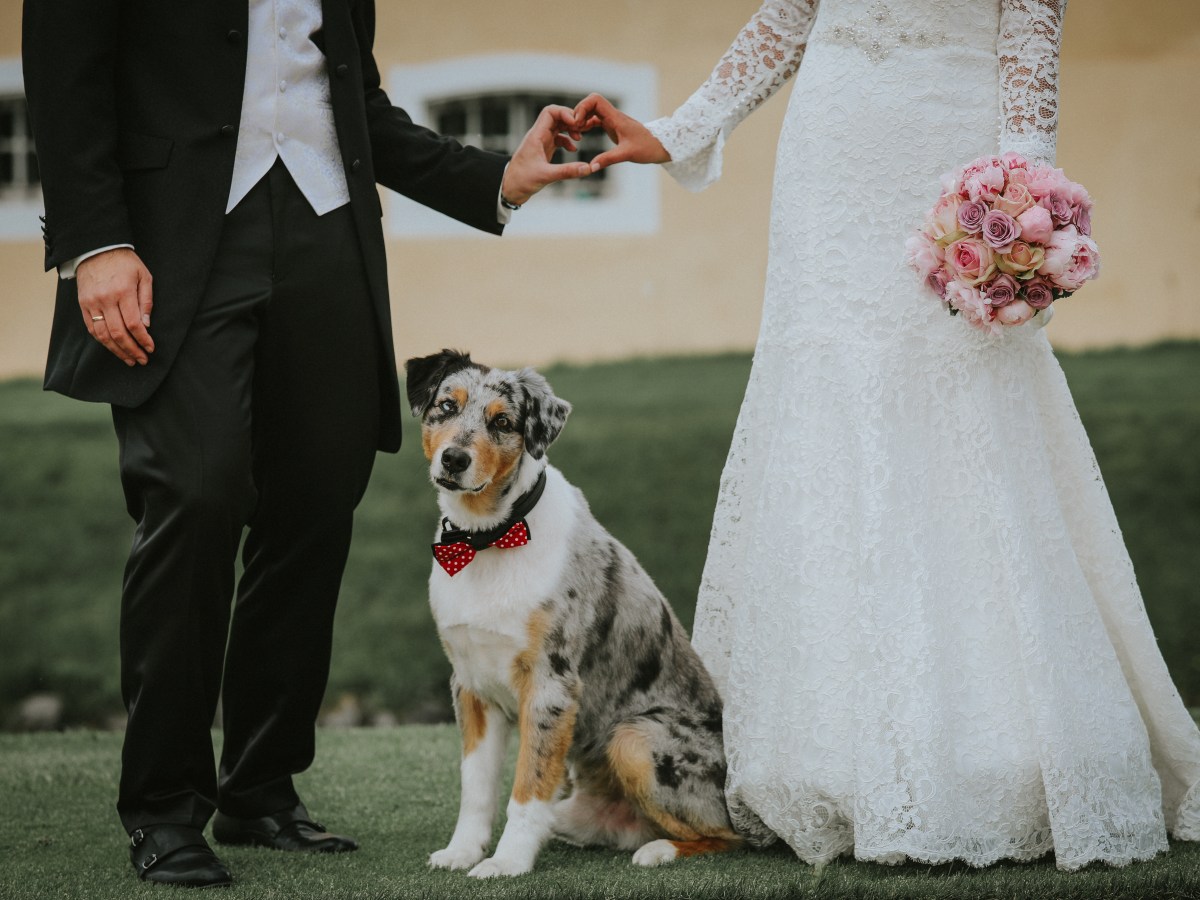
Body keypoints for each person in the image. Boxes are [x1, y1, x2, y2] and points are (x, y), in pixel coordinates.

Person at [576, 0, 1200, 870]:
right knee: (821, 404)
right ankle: (808, 754)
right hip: (828, 153)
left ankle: (989, 752)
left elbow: (1030, 36)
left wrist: (1024, 206)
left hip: (951, 161)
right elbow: (793, 13)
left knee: (960, 407)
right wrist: (680, 129)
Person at [22, 0, 591, 888]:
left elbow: (351, 100)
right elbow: (64, 74)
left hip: (328, 233)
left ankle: (259, 786)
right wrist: (96, 241)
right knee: (197, 492)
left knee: (318, 501)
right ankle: (166, 807)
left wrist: (497, 179)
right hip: (171, 238)